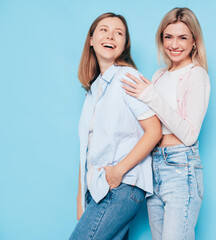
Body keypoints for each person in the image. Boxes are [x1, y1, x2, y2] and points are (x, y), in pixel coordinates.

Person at [70, 12, 162, 240]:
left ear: (124, 45)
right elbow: (87, 149)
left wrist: (118, 171)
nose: (111, 36)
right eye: (104, 30)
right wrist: (81, 198)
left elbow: (154, 131)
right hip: (99, 190)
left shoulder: (127, 77)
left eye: (118, 33)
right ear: (91, 39)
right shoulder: (93, 89)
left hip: (120, 186)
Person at [122, 7, 210, 240]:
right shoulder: (158, 75)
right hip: (154, 166)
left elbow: (189, 134)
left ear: (194, 42)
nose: (174, 44)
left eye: (183, 37)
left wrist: (151, 95)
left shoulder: (196, 74)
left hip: (181, 166)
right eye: (168, 37)